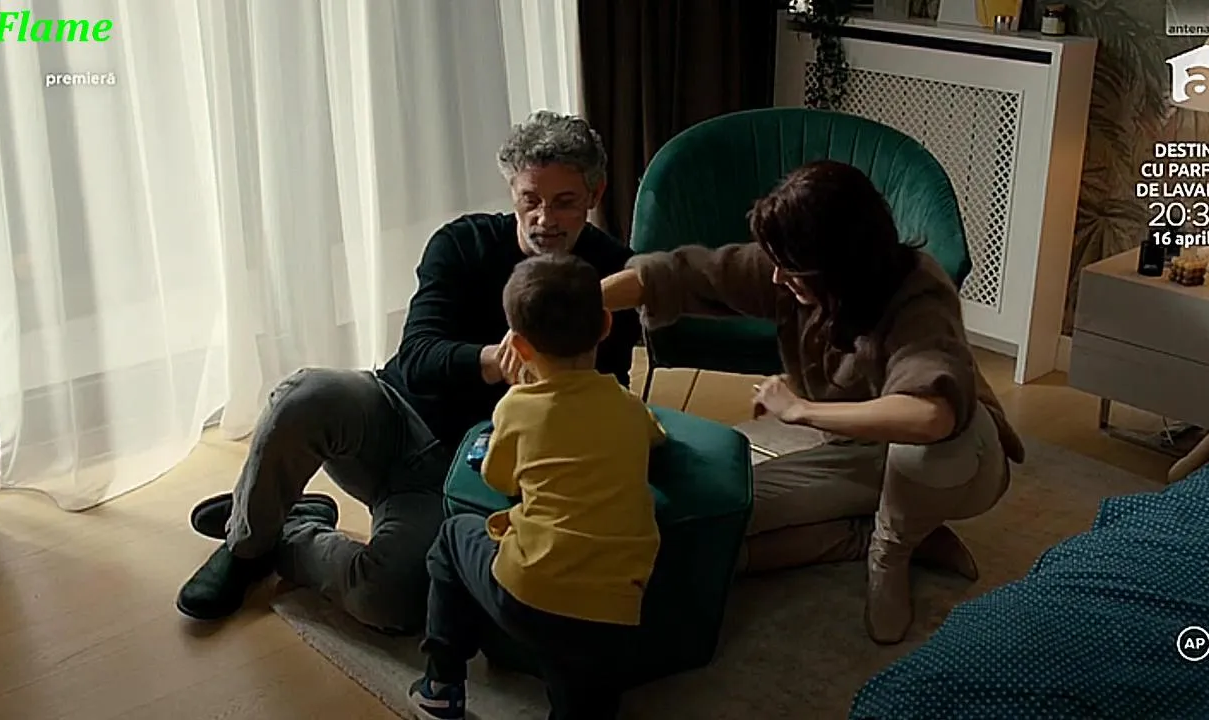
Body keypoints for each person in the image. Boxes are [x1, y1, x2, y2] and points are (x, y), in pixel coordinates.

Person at [174, 111, 641, 634]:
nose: (544, 219)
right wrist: (495, 359)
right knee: (304, 395)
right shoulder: (461, 243)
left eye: (565, 202)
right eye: (530, 199)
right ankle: (244, 548)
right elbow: (417, 356)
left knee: (392, 600)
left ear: (595, 193)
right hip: (392, 415)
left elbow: (608, 391)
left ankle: (287, 532)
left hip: (461, 475)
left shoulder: (613, 278)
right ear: (512, 190)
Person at [601, 159, 1026, 644]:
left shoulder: (917, 298)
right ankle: (867, 535)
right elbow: (680, 274)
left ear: (839, 265)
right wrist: (582, 306)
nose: (776, 278)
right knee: (717, 522)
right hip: (860, 451)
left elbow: (932, 415)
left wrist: (801, 410)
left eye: (790, 270)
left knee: (925, 454)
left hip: (960, 453)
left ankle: (891, 548)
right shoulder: (792, 271)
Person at [408, 254, 664, 720]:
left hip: (529, 592)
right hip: (616, 606)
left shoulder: (515, 408)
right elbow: (655, 437)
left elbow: (499, 478)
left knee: (451, 538)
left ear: (519, 347)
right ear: (606, 325)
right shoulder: (629, 407)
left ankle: (441, 684)